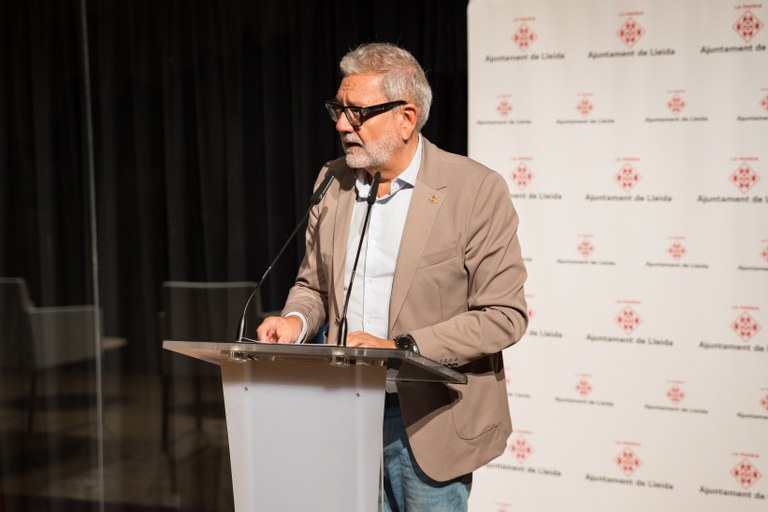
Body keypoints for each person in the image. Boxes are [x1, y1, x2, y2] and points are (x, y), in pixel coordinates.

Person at [256, 42, 528, 511]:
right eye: (338, 110)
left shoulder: (474, 190)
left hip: (429, 418)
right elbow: (313, 286)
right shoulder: (332, 181)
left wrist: (403, 348)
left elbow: (504, 316)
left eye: (358, 113)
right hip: (344, 410)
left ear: (407, 118)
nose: (342, 125)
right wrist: (294, 321)